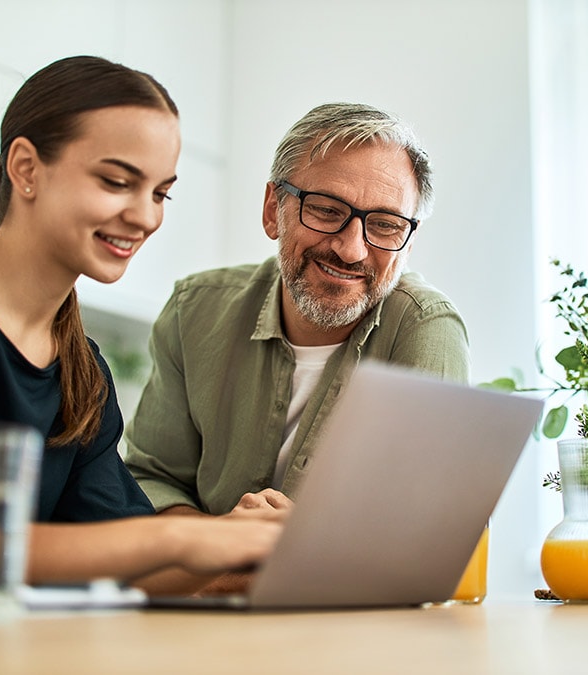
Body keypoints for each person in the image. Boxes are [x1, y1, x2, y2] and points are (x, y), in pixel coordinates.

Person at [0, 56, 280, 589]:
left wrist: (251, 556)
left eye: (161, 192)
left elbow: (125, 566)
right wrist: (189, 538)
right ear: (26, 168)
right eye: (118, 181)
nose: (146, 216)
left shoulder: (81, 368)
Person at [124, 103, 471, 522]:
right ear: (274, 210)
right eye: (327, 210)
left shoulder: (425, 328)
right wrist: (219, 550)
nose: (351, 249)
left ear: (408, 243)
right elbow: (152, 479)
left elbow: (426, 522)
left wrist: (300, 543)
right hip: (199, 586)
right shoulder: (194, 310)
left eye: (385, 225)